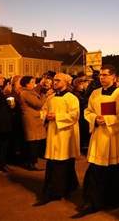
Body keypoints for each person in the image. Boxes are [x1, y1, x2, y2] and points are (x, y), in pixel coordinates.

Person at [72, 65, 119, 218]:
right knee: (96, 169)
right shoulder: (95, 93)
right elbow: (88, 111)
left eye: (105, 75)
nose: (102, 78)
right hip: (99, 135)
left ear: (114, 77)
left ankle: (112, 200)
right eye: (101, 75)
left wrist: (109, 119)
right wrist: (95, 119)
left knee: (114, 169)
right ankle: (92, 201)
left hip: (115, 136)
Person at [34, 73, 80, 206]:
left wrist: (57, 116)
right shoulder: (51, 97)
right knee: (55, 162)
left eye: (58, 80)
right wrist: (46, 116)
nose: (55, 82)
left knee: (63, 162)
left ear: (66, 82)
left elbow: (74, 115)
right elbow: (43, 110)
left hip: (65, 133)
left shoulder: (72, 98)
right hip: (53, 132)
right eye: (54, 80)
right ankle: (68, 185)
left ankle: (55, 191)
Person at [19, 76, 51, 171]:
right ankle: (32, 163)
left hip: (34, 118)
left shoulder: (29, 92)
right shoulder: (26, 93)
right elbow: (38, 104)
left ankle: (31, 161)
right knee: (34, 141)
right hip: (31, 119)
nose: (34, 84)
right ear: (26, 84)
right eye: (32, 82)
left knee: (34, 141)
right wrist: (46, 96)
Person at [72, 78, 90, 153]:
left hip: (83, 114)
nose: (84, 85)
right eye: (82, 84)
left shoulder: (81, 92)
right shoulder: (76, 94)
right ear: (78, 85)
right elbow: (81, 103)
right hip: (80, 115)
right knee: (81, 131)